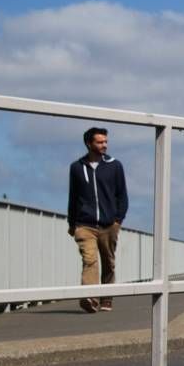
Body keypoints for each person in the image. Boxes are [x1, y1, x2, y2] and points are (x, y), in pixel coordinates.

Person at [66, 126, 127, 313]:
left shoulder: (115, 166)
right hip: (85, 224)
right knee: (90, 260)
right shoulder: (76, 167)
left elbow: (121, 195)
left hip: (109, 224)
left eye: (106, 142)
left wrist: (118, 220)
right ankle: (90, 298)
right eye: (100, 142)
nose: (104, 145)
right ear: (89, 143)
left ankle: (106, 299)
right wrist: (72, 223)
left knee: (108, 262)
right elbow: (73, 197)